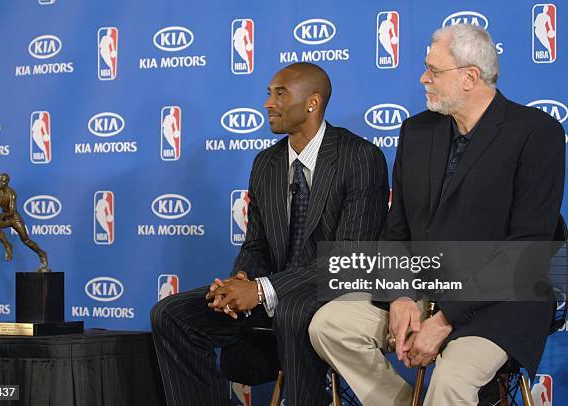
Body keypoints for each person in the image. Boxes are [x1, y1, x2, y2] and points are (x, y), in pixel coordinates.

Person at [309, 24, 564, 405]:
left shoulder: (536, 132)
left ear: (470, 77)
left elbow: (526, 250)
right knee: (328, 326)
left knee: (451, 379)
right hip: (422, 292)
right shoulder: (417, 130)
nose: (423, 78)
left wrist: (444, 319)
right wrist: (399, 297)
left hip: (501, 302)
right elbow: (396, 232)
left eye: (433, 70)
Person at [150, 62, 389, 405]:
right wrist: (241, 278)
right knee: (170, 316)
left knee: (293, 309)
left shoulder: (360, 157)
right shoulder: (267, 163)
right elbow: (257, 243)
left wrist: (260, 290)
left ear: (312, 103)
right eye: (268, 93)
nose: (268, 103)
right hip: (273, 292)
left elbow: (348, 260)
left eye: (280, 93)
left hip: (333, 293)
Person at [0, 173, 49, 270]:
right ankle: (7, 246)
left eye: (3, 181)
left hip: (14, 218)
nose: (1, 183)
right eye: (0, 181)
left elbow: (12, 212)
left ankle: (42, 254)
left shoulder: (12, 193)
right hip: (5, 217)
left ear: (7, 182)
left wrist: (1, 215)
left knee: (26, 240)